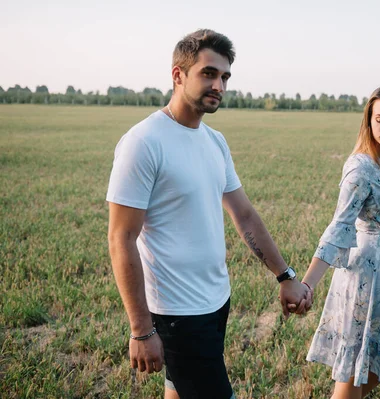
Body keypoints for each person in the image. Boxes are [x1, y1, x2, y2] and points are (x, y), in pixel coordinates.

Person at [106, 29, 311, 399]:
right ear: (178, 75)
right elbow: (121, 238)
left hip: (216, 300)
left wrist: (285, 275)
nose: (219, 84)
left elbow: (244, 214)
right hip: (176, 312)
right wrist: (140, 329)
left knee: (179, 391)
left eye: (225, 77)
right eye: (208, 73)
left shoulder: (214, 141)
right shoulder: (144, 142)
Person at [301, 87, 380, 399]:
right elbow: (339, 226)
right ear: (368, 122)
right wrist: (308, 284)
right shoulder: (361, 167)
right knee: (358, 367)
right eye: (379, 119)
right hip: (367, 279)